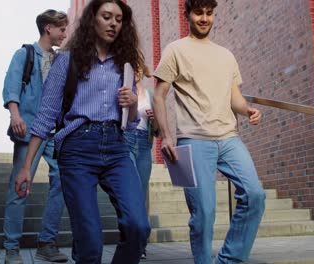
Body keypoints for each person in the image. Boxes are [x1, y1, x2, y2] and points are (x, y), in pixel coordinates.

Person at [14, 1, 150, 263]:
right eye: (107, 16)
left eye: (119, 19)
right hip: (77, 149)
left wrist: (133, 105)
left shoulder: (126, 65)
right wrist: (26, 167)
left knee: (138, 226)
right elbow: (45, 116)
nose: (113, 23)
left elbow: (131, 122)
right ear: (92, 20)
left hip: (117, 147)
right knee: (89, 241)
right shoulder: (67, 60)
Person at [153, 0, 266, 263]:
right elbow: (159, 96)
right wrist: (167, 136)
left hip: (229, 138)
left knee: (254, 195)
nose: (204, 18)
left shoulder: (226, 55)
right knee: (203, 214)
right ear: (188, 15)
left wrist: (247, 110)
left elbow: (233, 97)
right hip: (192, 141)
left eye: (209, 13)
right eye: (198, 13)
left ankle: (228, 260)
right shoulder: (175, 50)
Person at [2, 9, 69, 264]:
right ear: (48, 28)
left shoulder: (61, 59)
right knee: (19, 186)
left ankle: (46, 242)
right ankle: (11, 247)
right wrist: (15, 115)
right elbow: (11, 86)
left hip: (55, 133)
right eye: (61, 29)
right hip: (29, 128)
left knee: (62, 182)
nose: (65, 33)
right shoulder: (24, 54)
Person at [124, 69, 158, 259]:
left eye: (138, 67)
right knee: (132, 191)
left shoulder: (150, 94)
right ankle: (129, 239)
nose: (136, 71)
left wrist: (153, 121)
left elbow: (158, 129)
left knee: (142, 193)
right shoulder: (123, 90)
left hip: (144, 145)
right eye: (132, 67)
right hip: (126, 141)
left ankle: (141, 244)